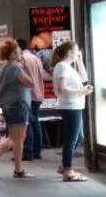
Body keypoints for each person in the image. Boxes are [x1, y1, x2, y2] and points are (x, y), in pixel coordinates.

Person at [0, 39, 36, 178]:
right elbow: (31, 83)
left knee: (14, 137)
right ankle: (18, 170)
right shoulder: (15, 68)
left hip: (9, 106)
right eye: (18, 51)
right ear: (13, 54)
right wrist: (26, 67)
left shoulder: (4, 68)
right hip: (17, 105)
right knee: (18, 139)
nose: (20, 53)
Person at [52, 41, 92, 182]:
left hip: (74, 105)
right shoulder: (62, 66)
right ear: (69, 52)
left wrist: (80, 61)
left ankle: (65, 165)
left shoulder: (68, 67)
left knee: (79, 137)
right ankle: (67, 170)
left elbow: (84, 78)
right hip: (70, 106)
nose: (78, 53)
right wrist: (81, 92)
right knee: (72, 139)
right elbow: (61, 89)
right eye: (76, 51)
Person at [17, 38, 48, 161]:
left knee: (28, 123)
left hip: (28, 95)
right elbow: (44, 74)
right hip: (38, 94)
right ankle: (37, 151)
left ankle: (27, 152)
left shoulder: (22, 60)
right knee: (35, 123)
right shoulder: (35, 58)